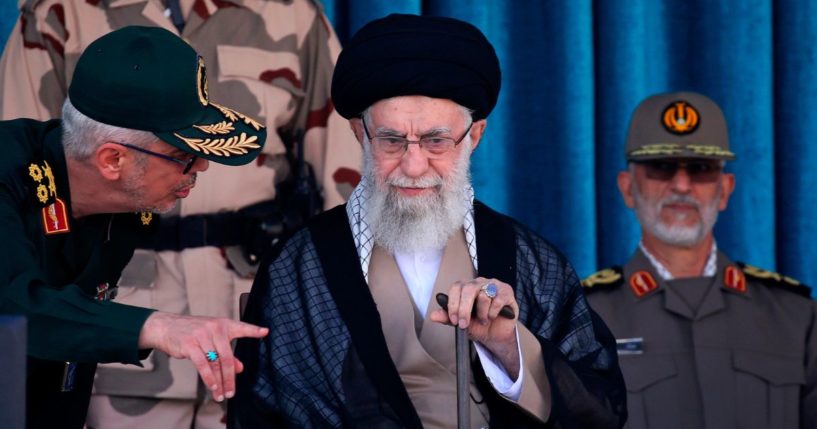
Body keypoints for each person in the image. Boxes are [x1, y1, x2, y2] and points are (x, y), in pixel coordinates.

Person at [230, 14, 627, 428]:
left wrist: (510, 347)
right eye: (391, 140)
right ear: (360, 134)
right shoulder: (299, 266)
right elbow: (263, 411)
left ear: (474, 136)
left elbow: (601, 410)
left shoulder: (532, 262)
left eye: (437, 141)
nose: (414, 165)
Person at [0, 1, 362, 427]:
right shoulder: (12, 175)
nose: (202, 167)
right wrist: (155, 326)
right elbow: (15, 309)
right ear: (112, 159)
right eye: (183, 155)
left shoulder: (127, 202)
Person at [583, 91, 817, 428]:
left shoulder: (796, 318)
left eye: (700, 168)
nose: (681, 185)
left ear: (725, 189)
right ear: (627, 189)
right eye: (661, 168)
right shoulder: (586, 319)